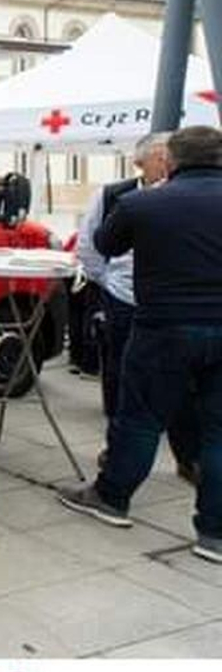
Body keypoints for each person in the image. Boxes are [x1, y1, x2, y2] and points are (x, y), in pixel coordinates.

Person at [58, 125, 222, 565]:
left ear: (170, 162)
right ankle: (214, 533)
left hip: (161, 327)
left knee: (141, 418)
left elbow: (105, 243)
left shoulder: (143, 203)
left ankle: (112, 498)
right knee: (218, 431)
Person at [76, 132, 200, 482]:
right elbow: (91, 246)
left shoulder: (187, 196)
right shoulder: (116, 196)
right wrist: (110, 284)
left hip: (175, 305)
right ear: (140, 161)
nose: (165, 164)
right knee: (123, 376)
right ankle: (116, 450)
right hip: (125, 299)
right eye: (159, 157)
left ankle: (187, 455)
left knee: (183, 383)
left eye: (169, 156)